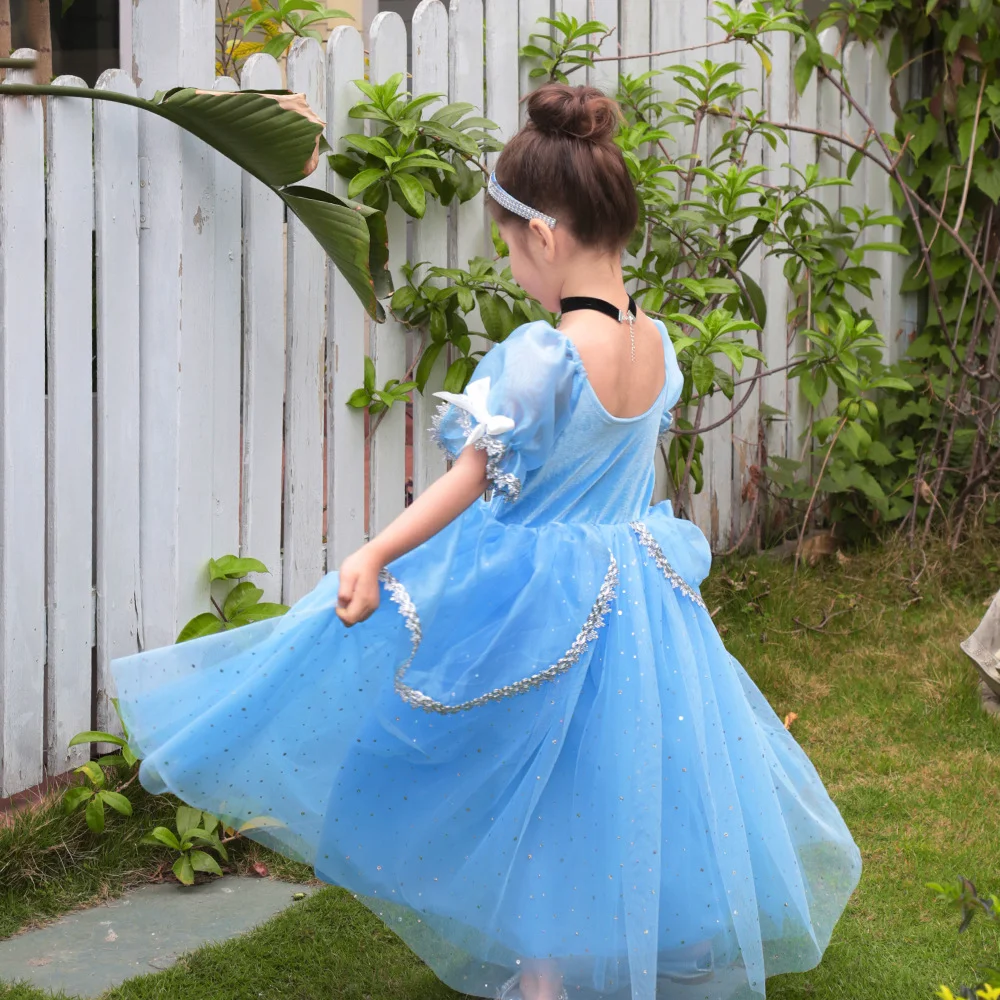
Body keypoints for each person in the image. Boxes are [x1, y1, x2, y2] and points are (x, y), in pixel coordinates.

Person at [112, 83, 861, 1000]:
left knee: (532, 774)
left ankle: (545, 969)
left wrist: (375, 554)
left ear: (544, 235)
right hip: (638, 588)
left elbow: (469, 480)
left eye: (511, 249)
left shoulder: (543, 355)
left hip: (543, 596)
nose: (514, 270)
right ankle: (667, 930)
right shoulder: (657, 345)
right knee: (634, 765)